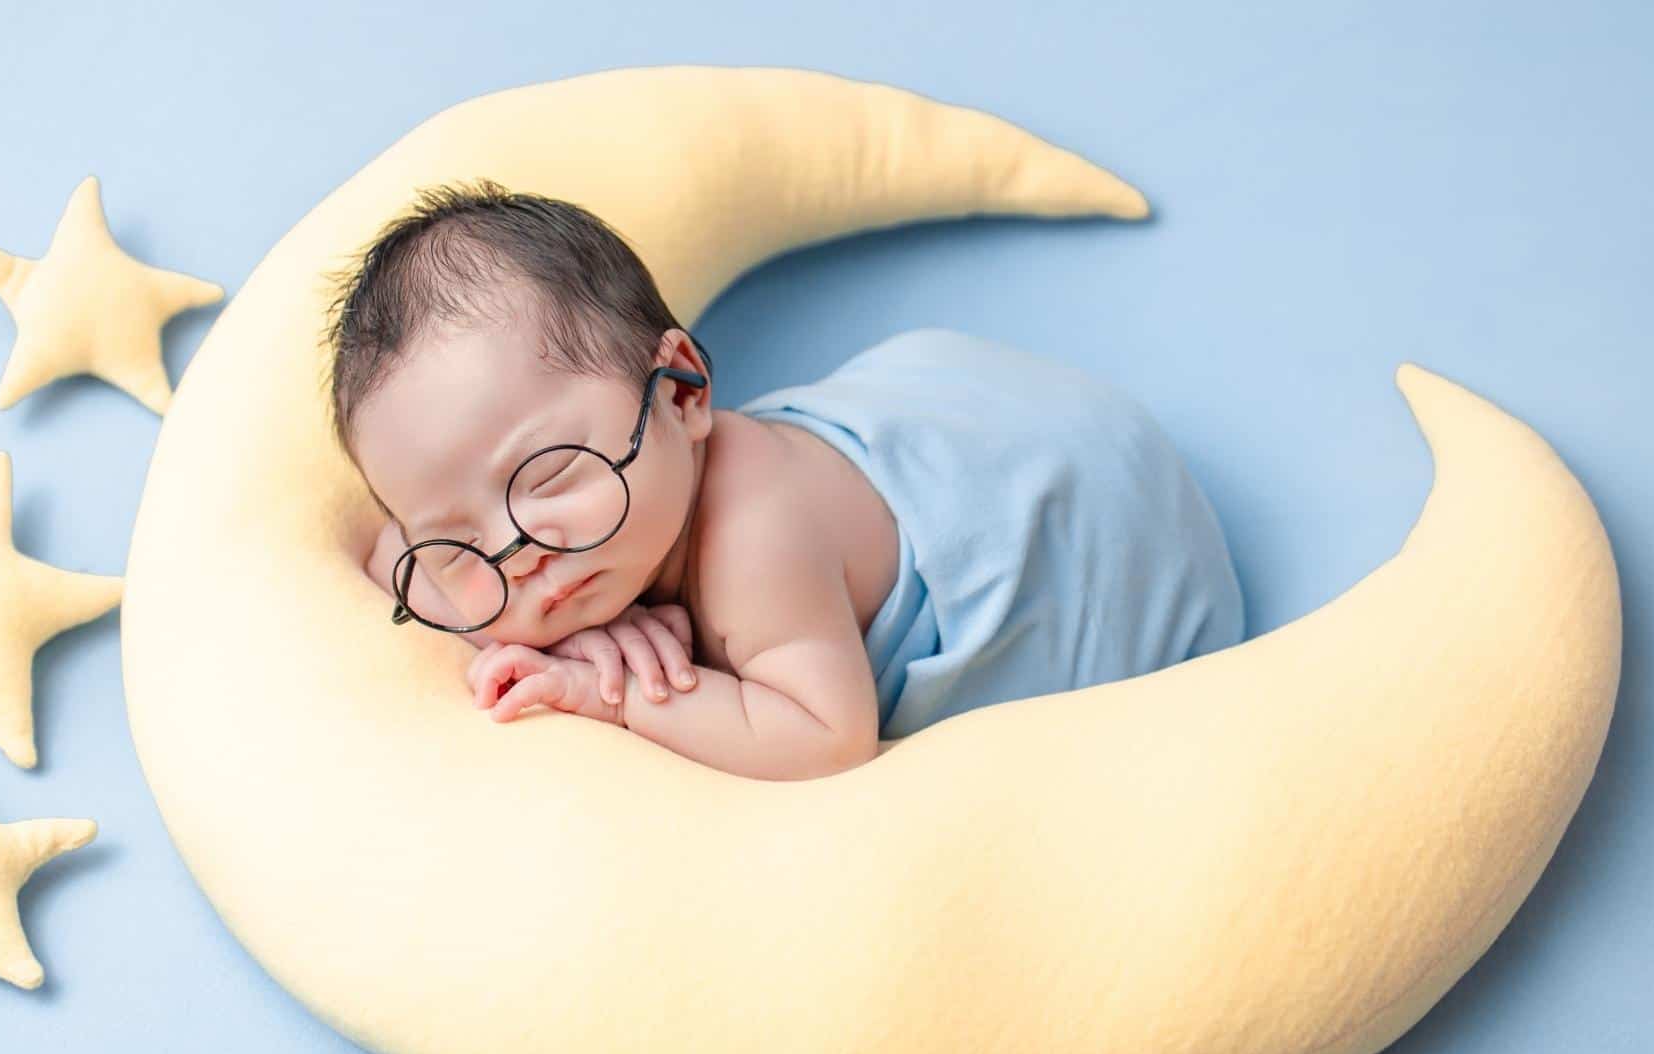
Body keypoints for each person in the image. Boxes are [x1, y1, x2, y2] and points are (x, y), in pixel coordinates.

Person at [322, 179, 1245, 781]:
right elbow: (387, 549)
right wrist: (489, 575)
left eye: (554, 474)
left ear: (682, 389)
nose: (516, 553)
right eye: (457, 541)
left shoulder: (754, 536)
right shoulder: (574, 529)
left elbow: (826, 737)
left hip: (1082, 535)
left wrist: (605, 688)